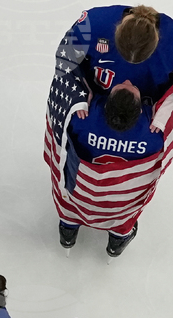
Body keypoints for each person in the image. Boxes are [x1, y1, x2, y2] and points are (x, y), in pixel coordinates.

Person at [56, 79, 164, 257]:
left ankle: (68, 232)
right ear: (140, 110)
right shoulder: (154, 134)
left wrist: (82, 95)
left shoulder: (84, 118)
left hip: (80, 191)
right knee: (123, 219)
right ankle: (117, 242)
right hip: (121, 202)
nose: (128, 80)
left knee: (70, 206)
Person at [57, 5, 173, 102]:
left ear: (158, 39)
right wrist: (79, 90)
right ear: (115, 30)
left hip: (147, 110)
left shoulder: (170, 38)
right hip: (100, 102)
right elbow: (67, 56)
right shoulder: (93, 24)